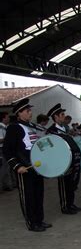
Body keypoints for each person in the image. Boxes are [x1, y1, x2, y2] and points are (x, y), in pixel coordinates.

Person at [3, 99, 52, 232]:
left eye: (30, 110)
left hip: (36, 167)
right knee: (28, 196)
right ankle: (32, 223)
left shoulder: (31, 126)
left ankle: (39, 219)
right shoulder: (14, 128)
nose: (30, 113)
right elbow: (7, 150)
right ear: (19, 113)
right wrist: (17, 166)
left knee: (38, 194)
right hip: (24, 168)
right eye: (27, 111)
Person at [47, 103, 81, 215]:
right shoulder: (51, 131)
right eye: (62, 114)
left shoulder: (64, 128)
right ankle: (65, 206)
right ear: (56, 117)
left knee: (70, 183)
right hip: (61, 162)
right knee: (63, 184)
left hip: (70, 161)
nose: (64, 116)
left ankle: (71, 204)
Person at [1, 112, 15, 192]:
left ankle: (11, 184)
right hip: (2, 149)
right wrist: (9, 138)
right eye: (7, 117)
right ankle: (6, 186)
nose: (9, 118)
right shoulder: (0, 128)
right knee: (5, 168)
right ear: (3, 118)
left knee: (10, 167)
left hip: (8, 149)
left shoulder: (6, 127)